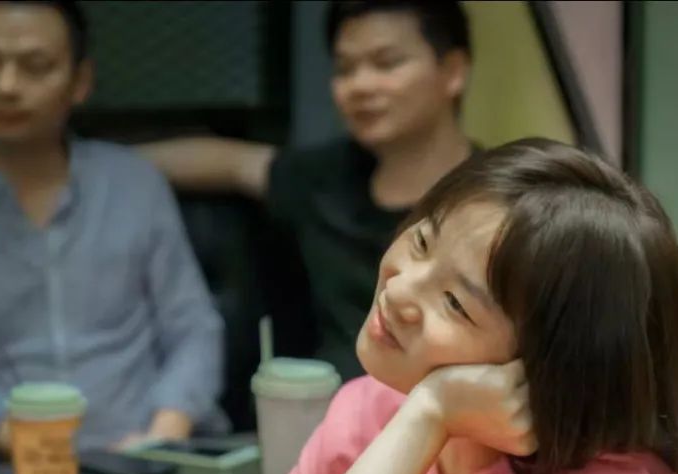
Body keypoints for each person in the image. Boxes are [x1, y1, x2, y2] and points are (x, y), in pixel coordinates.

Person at [170, 139, 678, 474]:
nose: (399, 290)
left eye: (455, 303)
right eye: (421, 242)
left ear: (551, 367)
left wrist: (429, 412)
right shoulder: (374, 407)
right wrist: (423, 414)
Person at [0, 0, 225, 467]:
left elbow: (193, 328)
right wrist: (54, 456)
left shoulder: (135, 184)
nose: (6, 86)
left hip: (147, 456)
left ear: (80, 81)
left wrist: (162, 436)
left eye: (35, 66)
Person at [139, 0, 474, 381]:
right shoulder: (322, 180)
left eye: (386, 63)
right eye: (345, 69)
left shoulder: (495, 200)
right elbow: (230, 163)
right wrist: (95, 162)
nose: (360, 85)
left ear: (453, 71)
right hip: (326, 403)